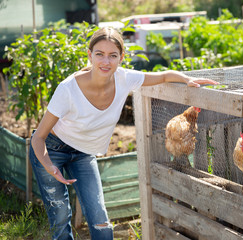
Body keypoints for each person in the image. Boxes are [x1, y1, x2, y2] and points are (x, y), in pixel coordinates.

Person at [30, 27, 218, 240]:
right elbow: (38, 137)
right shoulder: (68, 90)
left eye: (113, 55)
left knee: (100, 218)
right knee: (61, 216)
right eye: (99, 54)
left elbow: (164, 76)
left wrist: (186, 80)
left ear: (121, 58)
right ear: (89, 55)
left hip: (83, 154)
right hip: (51, 150)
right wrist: (49, 166)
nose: (105, 62)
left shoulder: (124, 78)